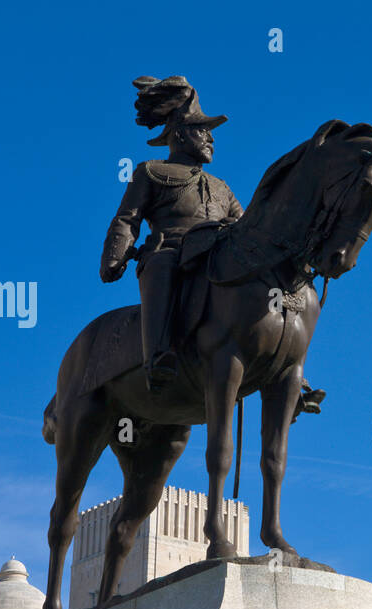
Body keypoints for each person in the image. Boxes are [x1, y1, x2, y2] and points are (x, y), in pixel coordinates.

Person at [100, 76, 242, 390]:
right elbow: (127, 219)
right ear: (179, 134)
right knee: (162, 266)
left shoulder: (222, 187)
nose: (211, 139)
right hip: (170, 250)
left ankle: (279, 360)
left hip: (217, 252)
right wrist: (115, 257)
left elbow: (246, 226)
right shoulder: (150, 172)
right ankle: (158, 356)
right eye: (203, 131)